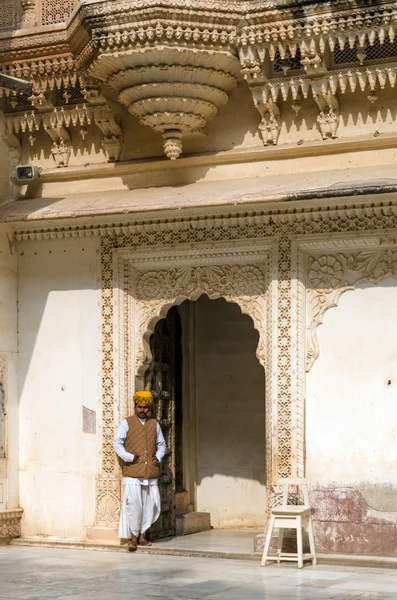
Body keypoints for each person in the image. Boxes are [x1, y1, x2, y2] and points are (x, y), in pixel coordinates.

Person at [113, 391, 166, 552]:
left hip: (149, 473)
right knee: (134, 505)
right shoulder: (126, 423)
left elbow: (161, 444)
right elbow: (117, 443)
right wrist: (129, 457)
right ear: (135, 407)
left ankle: (143, 536)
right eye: (139, 407)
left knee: (149, 505)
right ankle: (133, 538)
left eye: (145, 407)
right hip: (133, 473)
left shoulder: (154, 424)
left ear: (149, 408)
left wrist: (157, 457)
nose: (142, 410)